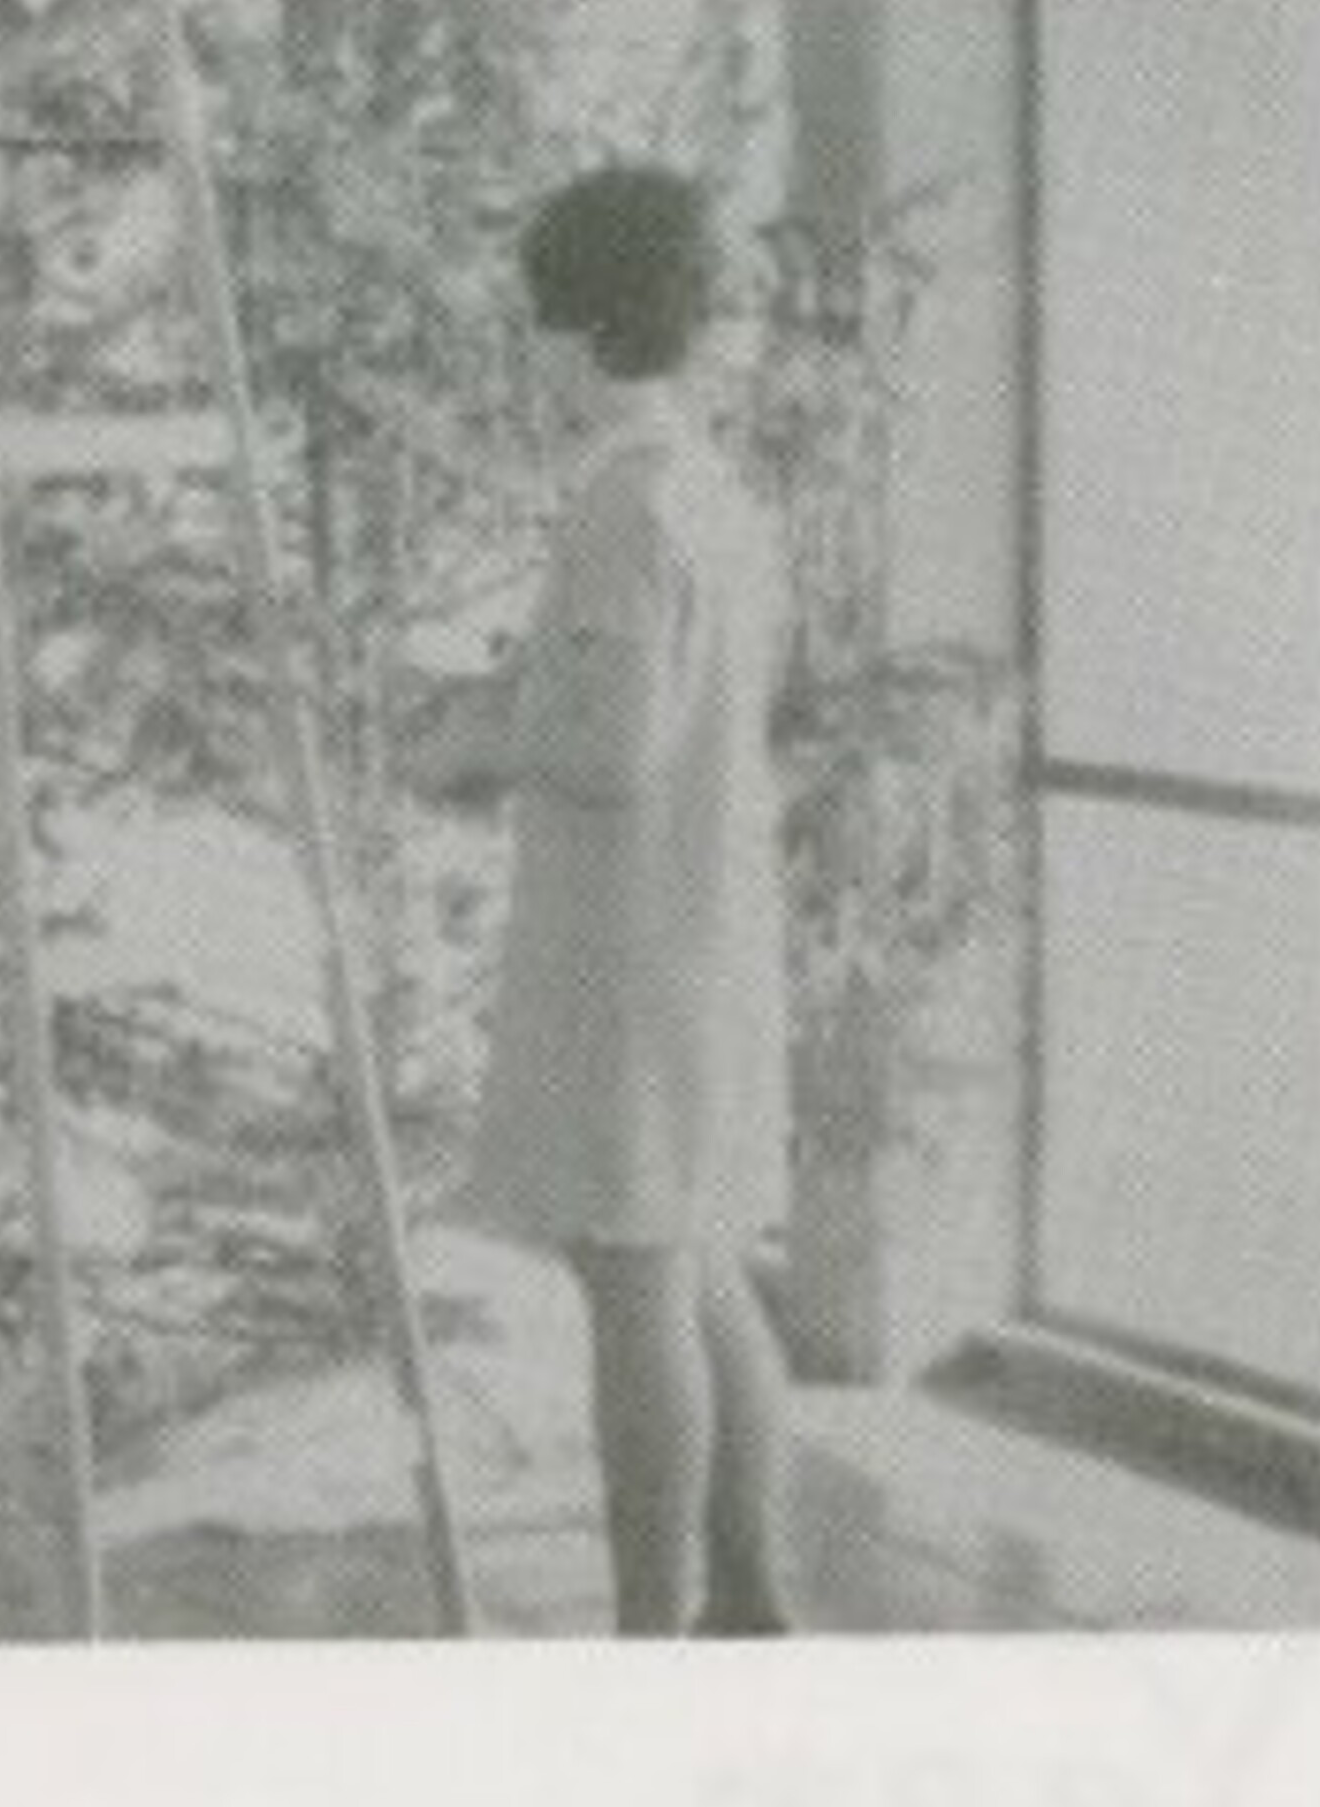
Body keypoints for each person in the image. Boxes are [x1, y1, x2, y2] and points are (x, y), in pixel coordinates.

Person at [396, 167, 797, 1637]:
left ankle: (652, 1630)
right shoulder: (706, 487)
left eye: (534, 326)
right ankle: (749, 1604)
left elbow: (609, 746)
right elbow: (641, 704)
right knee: (698, 1265)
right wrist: (491, 704)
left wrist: (475, 743)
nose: (525, 357)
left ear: (578, 330)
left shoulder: (623, 502)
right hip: (702, 926)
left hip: (637, 947)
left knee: (635, 1281)